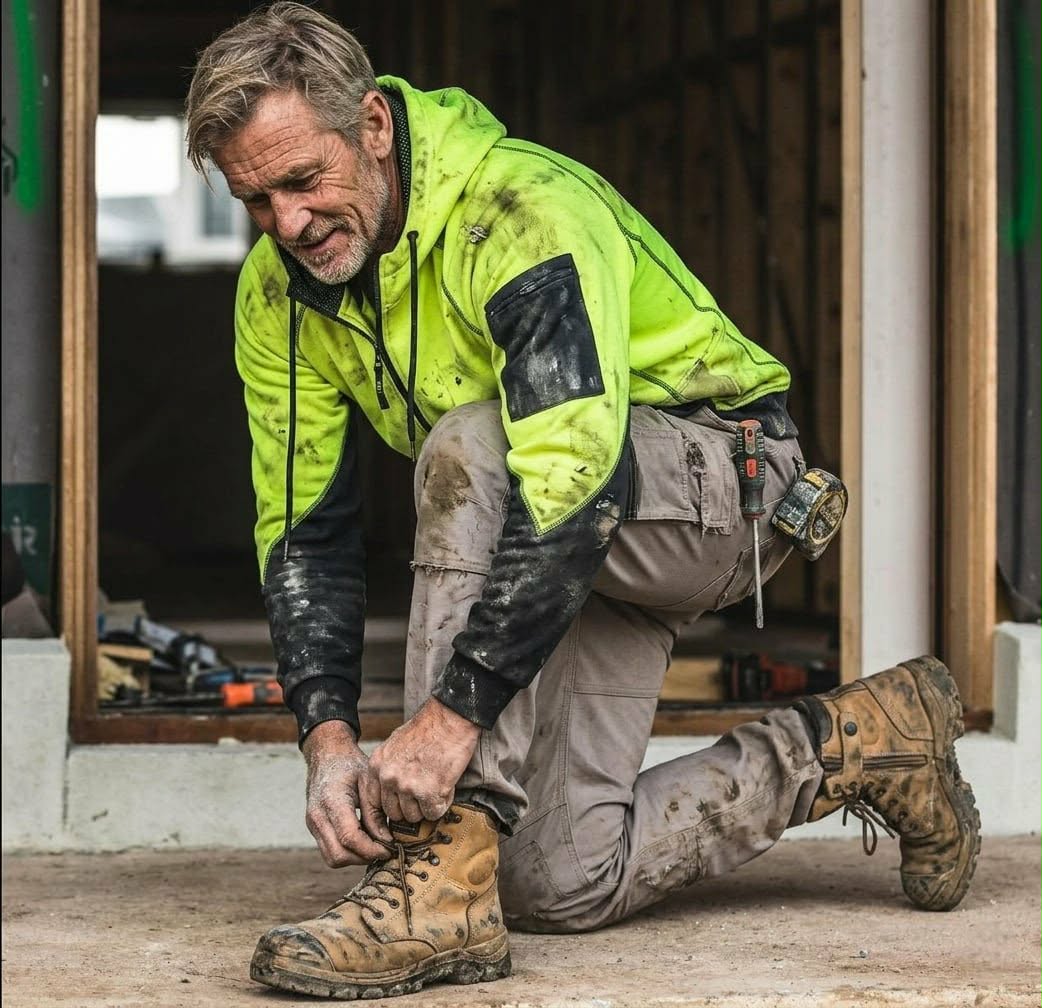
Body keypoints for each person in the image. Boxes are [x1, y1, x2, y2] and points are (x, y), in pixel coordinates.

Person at [185, 3, 980, 1000]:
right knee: (559, 880)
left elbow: (570, 478)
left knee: (474, 441)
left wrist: (447, 724)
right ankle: (863, 739)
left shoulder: (519, 210)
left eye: (303, 181)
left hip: (716, 495)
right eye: (254, 200)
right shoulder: (275, 293)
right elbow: (304, 527)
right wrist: (328, 735)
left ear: (374, 127)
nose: (286, 225)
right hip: (566, 544)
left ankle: (437, 878)